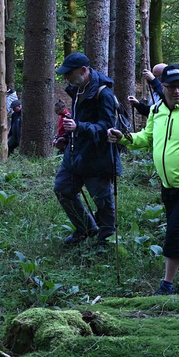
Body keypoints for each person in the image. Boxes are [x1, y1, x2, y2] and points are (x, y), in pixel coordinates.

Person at [108, 64, 179, 294]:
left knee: (175, 232)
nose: (177, 91)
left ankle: (166, 285)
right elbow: (146, 138)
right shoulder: (157, 110)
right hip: (168, 186)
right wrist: (124, 138)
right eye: (171, 87)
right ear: (163, 87)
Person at [55, 53, 121, 246]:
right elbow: (76, 121)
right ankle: (85, 228)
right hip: (75, 154)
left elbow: (107, 128)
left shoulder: (104, 94)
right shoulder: (77, 89)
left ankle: (106, 240)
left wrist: (79, 127)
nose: (66, 77)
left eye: (69, 73)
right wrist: (65, 137)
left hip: (98, 156)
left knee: (102, 200)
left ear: (84, 71)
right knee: (63, 189)